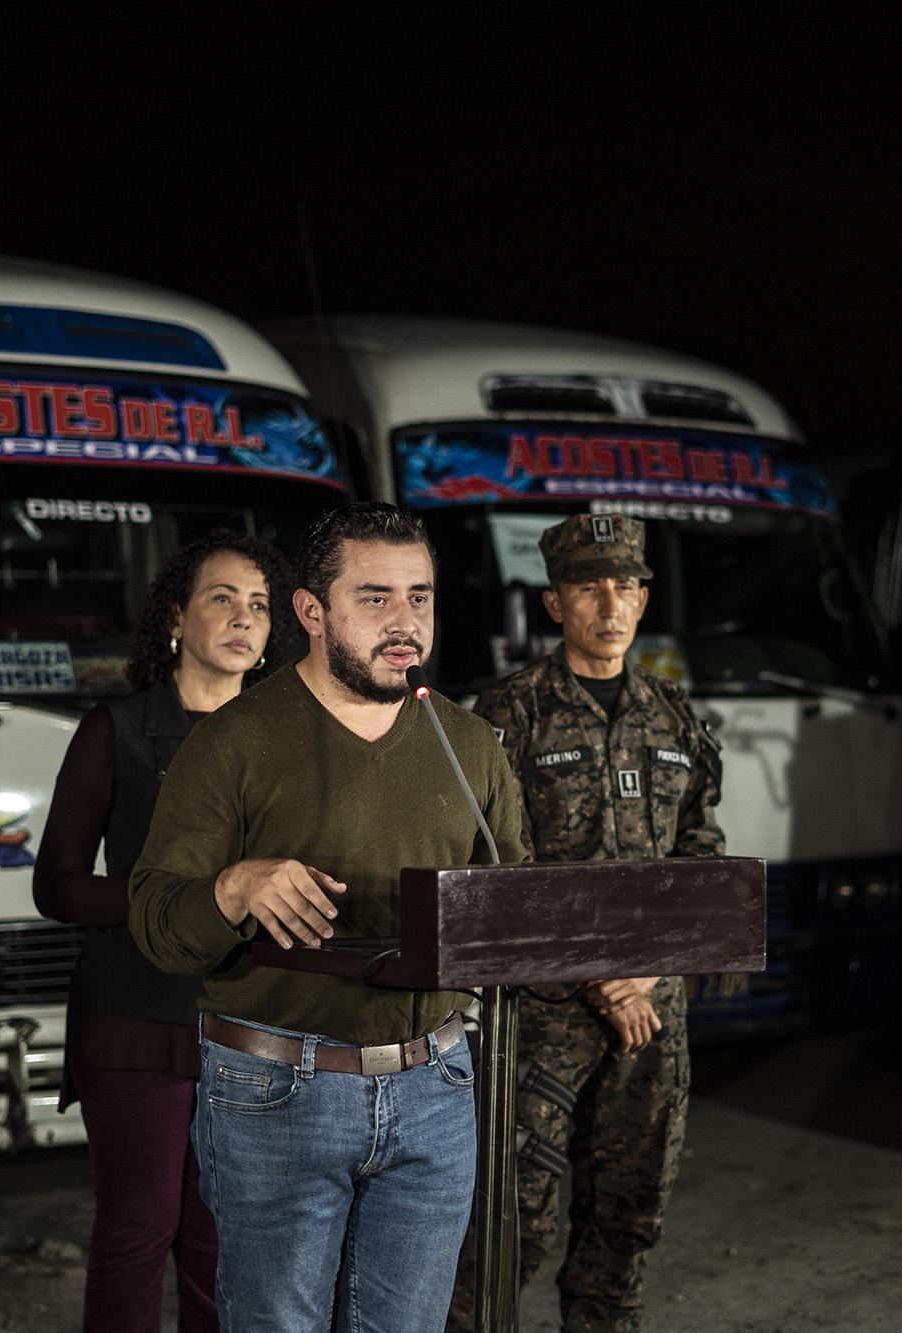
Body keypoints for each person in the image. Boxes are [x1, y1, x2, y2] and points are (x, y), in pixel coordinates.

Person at [129, 502, 531, 1333]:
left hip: (436, 1083)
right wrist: (235, 887)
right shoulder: (233, 742)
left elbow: (513, 901)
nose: (405, 622)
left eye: (419, 597)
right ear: (311, 611)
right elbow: (155, 920)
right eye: (375, 597)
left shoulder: (469, 743)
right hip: (277, 1089)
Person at [448, 514, 723, 1333]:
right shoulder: (507, 715)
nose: (612, 602)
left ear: (643, 598)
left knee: (626, 1224)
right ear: (555, 601)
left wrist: (649, 971)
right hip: (540, 1019)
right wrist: (605, 976)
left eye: (627, 585)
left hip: (652, 1020)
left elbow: (701, 861)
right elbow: (493, 866)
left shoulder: (674, 717)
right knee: (507, 1233)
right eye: (590, 586)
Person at [34, 530, 294, 1333]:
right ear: (176, 618)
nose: (244, 618)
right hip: (137, 1016)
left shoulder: (285, 739)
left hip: (249, 1023)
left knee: (224, 1244)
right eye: (223, 598)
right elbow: (59, 886)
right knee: (139, 1229)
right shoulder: (116, 729)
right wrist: (184, 903)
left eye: (259, 605)